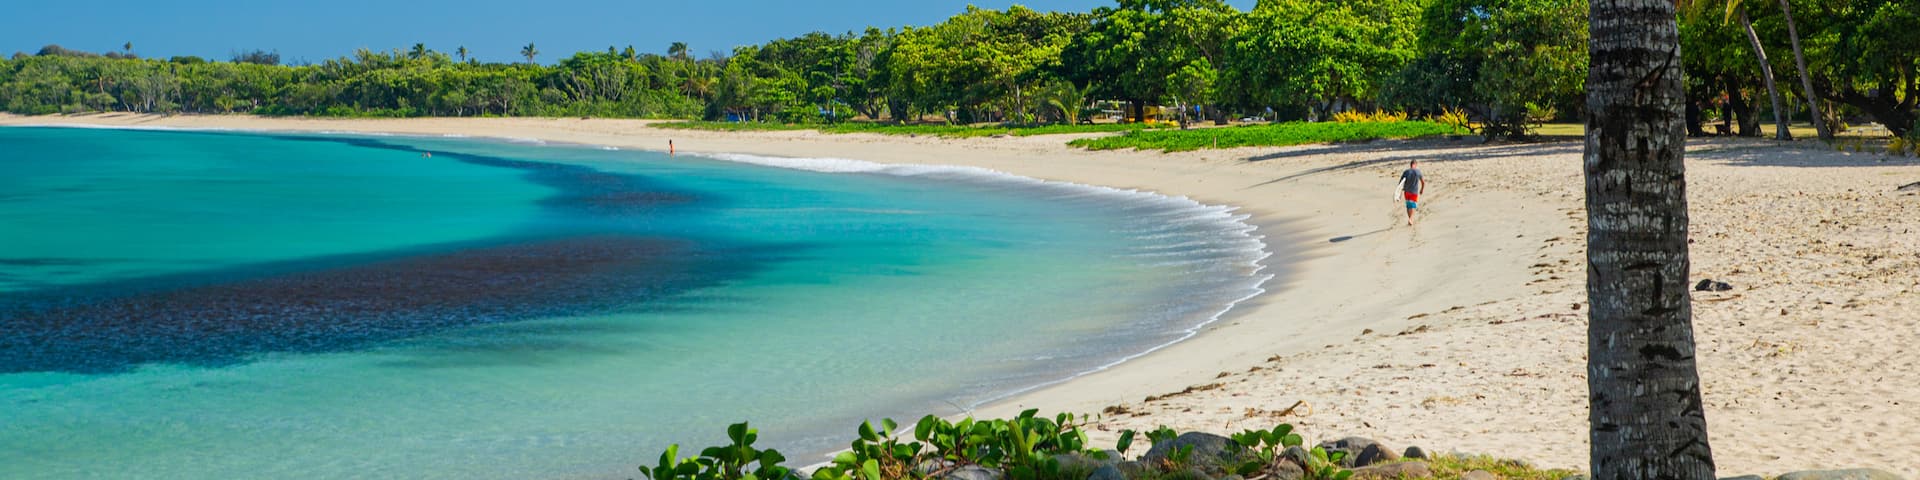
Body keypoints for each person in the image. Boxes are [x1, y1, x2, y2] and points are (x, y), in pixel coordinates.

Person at [1397, 159, 1426, 225]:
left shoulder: (1406, 172)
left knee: (1408, 206)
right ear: (1415, 165)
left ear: (1410, 165)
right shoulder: (1418, 172)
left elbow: (1400, 184)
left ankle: (1410, 219)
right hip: (1414, 192)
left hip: (1406, 192)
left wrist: (1399, 194)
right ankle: (1411, 219)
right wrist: (1422, 189)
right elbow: (1423, 182)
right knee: (1413, 206)